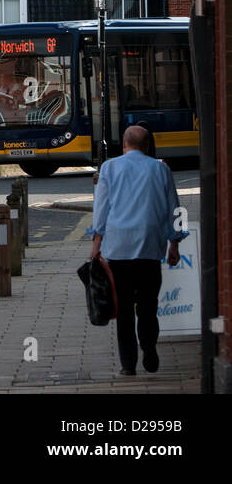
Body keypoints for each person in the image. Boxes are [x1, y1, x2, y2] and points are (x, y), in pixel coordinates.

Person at [91, 125, 185, 376]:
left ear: (124, 145)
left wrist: (96, 244)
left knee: (122, 310)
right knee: (147, 305)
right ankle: (149, 346)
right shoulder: (160, 168)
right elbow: (174, 208)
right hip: (150, 248)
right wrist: (174, 242)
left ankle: (128, 365)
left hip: (118, 249)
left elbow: (101, 208)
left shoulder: (109, 168)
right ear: (147, 146)